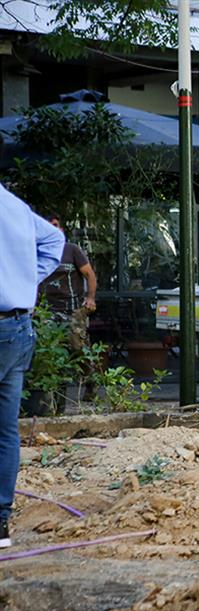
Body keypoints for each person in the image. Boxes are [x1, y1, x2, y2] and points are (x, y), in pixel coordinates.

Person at [0, 181, 66, 548]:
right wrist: (27, 280)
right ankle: (0, 524)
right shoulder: (16, 206)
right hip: (18, 325)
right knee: (6, 431)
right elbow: (55, 241)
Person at [39, 215, 99, 394]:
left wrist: (90, 298)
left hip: (73, 309)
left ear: (62, 230)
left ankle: (91, 385)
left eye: (56, 225)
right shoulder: (39, 252)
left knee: (78, 349)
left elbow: (90, 275)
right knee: (49, 352)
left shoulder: (71, 250)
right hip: (47, 310)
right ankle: (55, 396)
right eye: (48, 226)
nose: (52, 229)